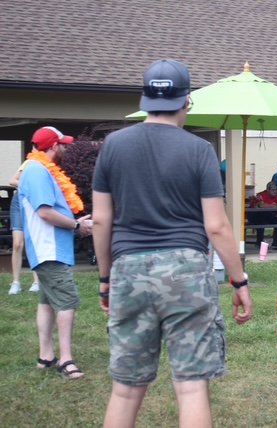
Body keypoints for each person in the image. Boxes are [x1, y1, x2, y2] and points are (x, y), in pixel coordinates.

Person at [92, 59, 253, 428]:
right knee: (192, 387)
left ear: (145, 98)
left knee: (126, 389)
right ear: (187, 102)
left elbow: (101, 220)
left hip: (129, 269)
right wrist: (239, 281)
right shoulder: (199, 150)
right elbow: (217, 226)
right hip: (187, 270)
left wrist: (105, 279)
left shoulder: (113, 146)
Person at [19, 125, 92, 377]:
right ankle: (66, 360)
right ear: (52, 146)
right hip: (48, 249)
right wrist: (76, 225)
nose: (65, 149)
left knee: (47, 302)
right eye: (62, 145)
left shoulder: (36, 170)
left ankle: (46, 357)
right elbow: (45, 212)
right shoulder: (38, 171)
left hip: (48, 248)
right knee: (67, 301)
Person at [7, 160, 40, 295]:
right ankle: (16, 282)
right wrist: (30, 186)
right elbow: (13, 181)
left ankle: (37, 282)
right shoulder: (30, 162)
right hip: (19, 201)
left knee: (33, 241)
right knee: (17, 244)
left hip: (35, 200)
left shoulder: (50, 165)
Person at [247, 181, 277, 250]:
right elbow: (261, 205)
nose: (276, 191)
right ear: (268, 190)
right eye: (273, 190)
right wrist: (274, 206)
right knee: (260, 221)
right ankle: (259, 242)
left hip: (268, 214)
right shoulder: (261, 195)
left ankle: (276, 243)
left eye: (276, 189)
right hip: (254, 216)